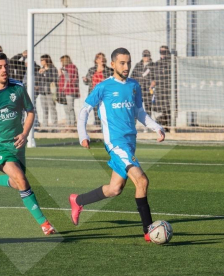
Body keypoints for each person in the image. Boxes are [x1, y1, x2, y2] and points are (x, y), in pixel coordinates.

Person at [69, 47, 165, 242]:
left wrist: (156, 127)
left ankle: (78, 200)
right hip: (115, 144)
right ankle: (148, 231)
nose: (126, 66)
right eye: (122, 63)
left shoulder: (134, 86)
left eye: (128, 62)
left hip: (130, 143)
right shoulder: (104, 87)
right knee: (142, 181)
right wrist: (82, 135)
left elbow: (140, 112)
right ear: (112, 64)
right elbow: (85, 110)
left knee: (114, 189)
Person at [0, 53, 55, 235]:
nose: (4, 70)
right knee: (22, 180)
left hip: (17, 142)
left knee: (17, 183)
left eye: (6, 66)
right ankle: (44, 223)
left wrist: (24, 133)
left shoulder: (18, 88)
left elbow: (30, 111)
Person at [82, 52, 113, 126]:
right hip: (94, 93)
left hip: (105, 94)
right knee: (96, 111)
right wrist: (85, 80)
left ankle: (106, 126)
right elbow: (87, 83)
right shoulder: (91, 70)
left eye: (103, 57)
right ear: (96, 60)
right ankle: (98, 126)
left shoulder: (109, 70)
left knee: (106, 110)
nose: (102, 59)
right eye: (99, 58)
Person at [130, 49, 155, 117]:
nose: (146, 57)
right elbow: (132, 76)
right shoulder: (138, 65)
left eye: (147, 55)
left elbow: (155, 77)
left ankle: (148, 124)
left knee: (148, 108)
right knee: (136, 106)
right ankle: (134, 123)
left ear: (150, 56)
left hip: (147, 90)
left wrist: (153, 84)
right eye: (144, 55)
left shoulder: (153, 65)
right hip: (138, 89)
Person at [58, 55, 80, 129]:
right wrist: (60, 74)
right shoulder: (62, 68)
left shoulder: (72, 67)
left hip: (70, 91)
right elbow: (60, 80)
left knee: (70, 107)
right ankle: (68, 124)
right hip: (63, 91)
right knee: (66, 109)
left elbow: (73, 78)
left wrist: (66, 75)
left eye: (62, 61)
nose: (61, 62)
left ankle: (72, 124)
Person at [154, 45, 172, 131]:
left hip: (168, 89)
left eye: (164, 52)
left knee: (168, 108)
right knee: (161, 108)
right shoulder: (157, 63)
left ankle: (169, 126)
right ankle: (163, 125)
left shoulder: (171, 62)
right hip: (159, 89)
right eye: (161, 52)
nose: (163, 54)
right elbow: (153, 75)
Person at [38, 54, 58, 131]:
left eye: (42, 60)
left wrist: (46, 72)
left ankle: (54, 126)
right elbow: (39, 80)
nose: (41, 62)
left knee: (52, 108)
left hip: (50, 92)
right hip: (42, 92)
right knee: (44, 109)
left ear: (46, 60)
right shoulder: (41, 69)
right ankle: (45, 126)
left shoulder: (53, 69)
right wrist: (40, 73)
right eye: (40, 60)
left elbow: (54, 79)